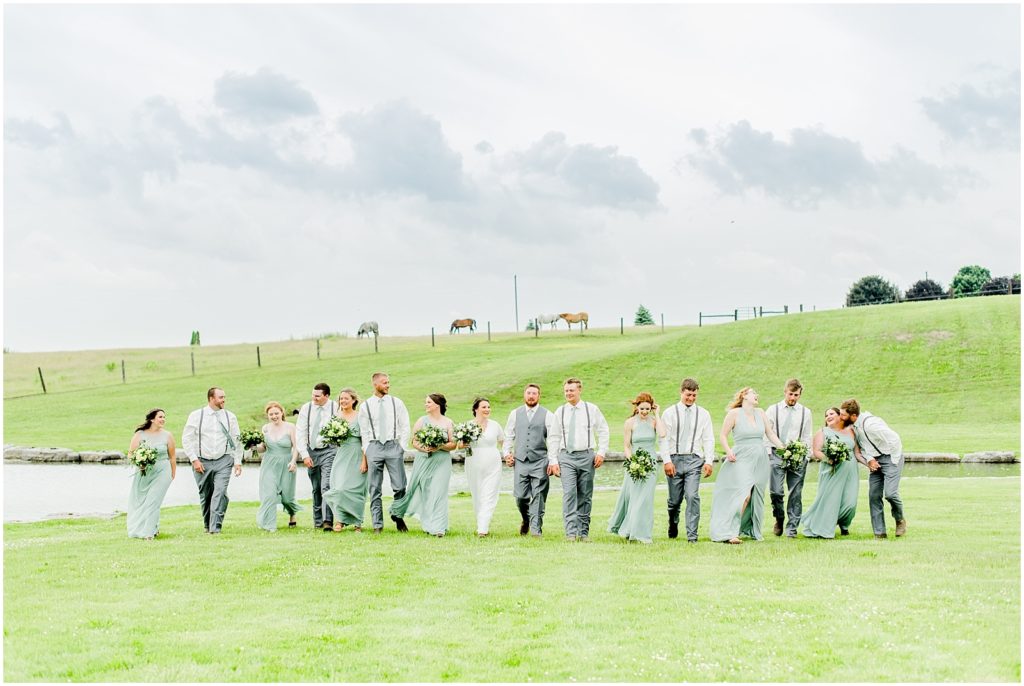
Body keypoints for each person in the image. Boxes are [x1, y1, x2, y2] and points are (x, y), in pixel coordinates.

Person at [709, 387, 786, 544]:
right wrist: (728, 451)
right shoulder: (734, 414)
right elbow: (723, 435)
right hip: (741, 457)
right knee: (743, 494)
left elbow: (770, 433)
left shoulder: (761, 413)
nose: (756, 395)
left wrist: (783, 448)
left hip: (760, 458)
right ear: (744, 395)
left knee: (756, 495)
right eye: (753, 393)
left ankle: (750, 529)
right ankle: (730, 532)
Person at [549, 378, 610, 541]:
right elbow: (554, 437)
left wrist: (601, 452)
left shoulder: (591, 409)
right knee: (569, 493)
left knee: (585, 494)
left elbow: (603, 430)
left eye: (572, 390)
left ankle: (583, 532)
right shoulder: (560, 412)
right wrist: (553, 460)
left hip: (587, 456)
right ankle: (570, 532)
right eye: (566, 391)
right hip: (566, 457)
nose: (568, 393)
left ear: (579, 390)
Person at [389, 394, 456, 537]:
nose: (426, 405)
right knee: (424, 491)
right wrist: (424, 448)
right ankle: (424, 523)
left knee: (439, 492)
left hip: (442, 461)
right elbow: (414, 441)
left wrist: (439, 446)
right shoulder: (421, 421)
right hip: (424, 460)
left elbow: (453, 444)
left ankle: (439, 527)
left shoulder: (448, 422)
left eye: (429, 402)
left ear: (437, 405)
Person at [659, 378, 715, 542]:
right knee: (674, 501)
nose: (691, 398)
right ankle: (673, 522)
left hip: (694, 460)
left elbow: (708, 439)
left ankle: (692, 536)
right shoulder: (669, 413)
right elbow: (663, 439)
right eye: (688, 395)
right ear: (681, 392)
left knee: (692, 496)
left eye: (694, 395)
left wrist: (709, 461)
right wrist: (667, 461)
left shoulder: (704, 414)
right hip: (674, 459)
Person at [840, 399, 906, 538]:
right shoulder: (854, 427)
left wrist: (893, 460)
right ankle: (879, 533)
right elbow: (864, 447)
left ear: (853, 416)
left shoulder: (871, 425)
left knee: (890, 494)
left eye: (843, 415)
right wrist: (870, 460)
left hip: (891, 457)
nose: (841, 418)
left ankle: (900, 520)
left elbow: (894, 439)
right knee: (874, 496)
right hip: (874, 460)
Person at [182, 387, 243, 534]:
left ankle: (215, 528)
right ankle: (207, 524)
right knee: (206, 495)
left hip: (224, 461)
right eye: (221, 397)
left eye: (224, 397)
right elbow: (186, 438)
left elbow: (237, 440)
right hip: (202, 461)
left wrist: (237, 461)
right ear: (211, 398)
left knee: (220, 492)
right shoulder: (197, 415)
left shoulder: (230, 416)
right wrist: (194, 460)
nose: (224, 400)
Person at [608, 393, 666, 544]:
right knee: (633, 498)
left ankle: (642, 533)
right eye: (642, 409)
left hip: (651, 464)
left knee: (646, 499)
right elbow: (627, 446)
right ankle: (629, 530)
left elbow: (662, 434)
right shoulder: (630, 423)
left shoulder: (654, 421)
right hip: (635, 464)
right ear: (637, 407)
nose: (645, 412)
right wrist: (633, 461)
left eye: (648, 409)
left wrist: (657, 414)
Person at [801, 407, 867, 538]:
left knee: (850, 503)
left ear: (840, 416)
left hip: (850, 472)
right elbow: (816, 451)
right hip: (832, 470)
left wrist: (869, 464)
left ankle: (844, 523)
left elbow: (857, 453)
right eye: (826, 415)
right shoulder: (823, 432)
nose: (828, 417)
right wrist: (829, 460)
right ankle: (825, 526)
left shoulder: (851, 431)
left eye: (831, 414)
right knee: (830, 501)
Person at [358, 372, 411, 533]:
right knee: (374, 487)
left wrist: (401, 446)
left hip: (393, 446)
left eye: (388, 382)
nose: (388, 385)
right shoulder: (365, 406)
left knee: (400, 486)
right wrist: (367, 449)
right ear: (375, 384)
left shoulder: (397, 403)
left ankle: (397, 515)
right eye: (384, 383)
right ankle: (377, 524)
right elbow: (364, 431)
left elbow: (405, 425)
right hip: (374, 447)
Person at [503, 383, 557, 537]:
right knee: (520, 497)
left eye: (534, 393)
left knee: (539, 496)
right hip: (520, 461)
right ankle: (526, 519)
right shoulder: (515, 413)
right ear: (524, 395)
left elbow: (553, 439)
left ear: (539, 396)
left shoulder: (548, 415)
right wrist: (507, 453)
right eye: (529, 393)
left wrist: (552, 461)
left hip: (540, 461)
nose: (531, 396)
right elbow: (509, 435)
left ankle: (535, 530)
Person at [765, 379, 814, 538]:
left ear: (800, 395)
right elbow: (766, 432)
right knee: (776, 492)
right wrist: (768, 453)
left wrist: (805, 455)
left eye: (796, 395)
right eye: (791, 394)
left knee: (795, 493)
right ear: (785, 392)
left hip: (798, 456)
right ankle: (779, 518)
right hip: (776, 454)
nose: (793, 398)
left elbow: (807, 435)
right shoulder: (773, 410)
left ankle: (791, 529)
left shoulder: (806, 412)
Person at [126, 408, 176, 539]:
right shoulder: (140, 435)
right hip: (144, 472)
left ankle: (148, 534)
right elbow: (130, 454)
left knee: (153, 500)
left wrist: (172, 474)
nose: (163, 419)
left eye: (164, 417)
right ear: (152, 419)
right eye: (160, 417)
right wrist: (140, 462)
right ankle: (153, 527)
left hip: (163, 471)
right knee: (142, 501)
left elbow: (172, 457)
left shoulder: (167, 435)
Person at [296, 383, 338, 531]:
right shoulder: (306, 408)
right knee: (316, 487)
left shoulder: (335, 407)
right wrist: (305, 455)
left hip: (330, 450)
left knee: (326, 485)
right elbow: (300, 432)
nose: (314, 398)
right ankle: (318, 521)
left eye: (317, 396)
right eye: (313, 395)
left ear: (326, 396)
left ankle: (328, 521)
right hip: (311, 450)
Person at [323, 388, 367, 531]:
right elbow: (331, 439)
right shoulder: (336, 416)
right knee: (339, 488)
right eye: (341, 399)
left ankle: (357, 522)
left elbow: (365, 440)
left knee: (356, 490)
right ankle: (340, 520)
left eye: (346, 398)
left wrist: (364, 461)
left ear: (353, 400)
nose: (343, 401)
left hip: (357, 454)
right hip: (341, 455)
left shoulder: (360, 416)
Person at [255, 401, 302, 532]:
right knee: (269, 495)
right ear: (267, 415)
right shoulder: (265, 428)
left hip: (287, 463)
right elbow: (262, 449)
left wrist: (293, 461)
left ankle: (292, 514)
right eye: (271, 414)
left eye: (276, 413)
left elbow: (296, 446)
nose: (274, 416)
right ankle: (269, 525)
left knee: (287, 497)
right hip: (269, 464)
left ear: (282, 413)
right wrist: (254, 445)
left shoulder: (291, 427)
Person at [462, 397, 505, 537]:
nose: (487, 409)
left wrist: (509, 455)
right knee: (478, 495)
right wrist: (463, 444)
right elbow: (460, 445)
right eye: (484, 407)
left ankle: (482, 529)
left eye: (488, 407)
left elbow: (503, 443)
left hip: (493, 463)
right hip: (473, 463)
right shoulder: (467, 425)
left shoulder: (495, 425)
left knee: (489, 494)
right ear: (476, 409)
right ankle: (481, 522)